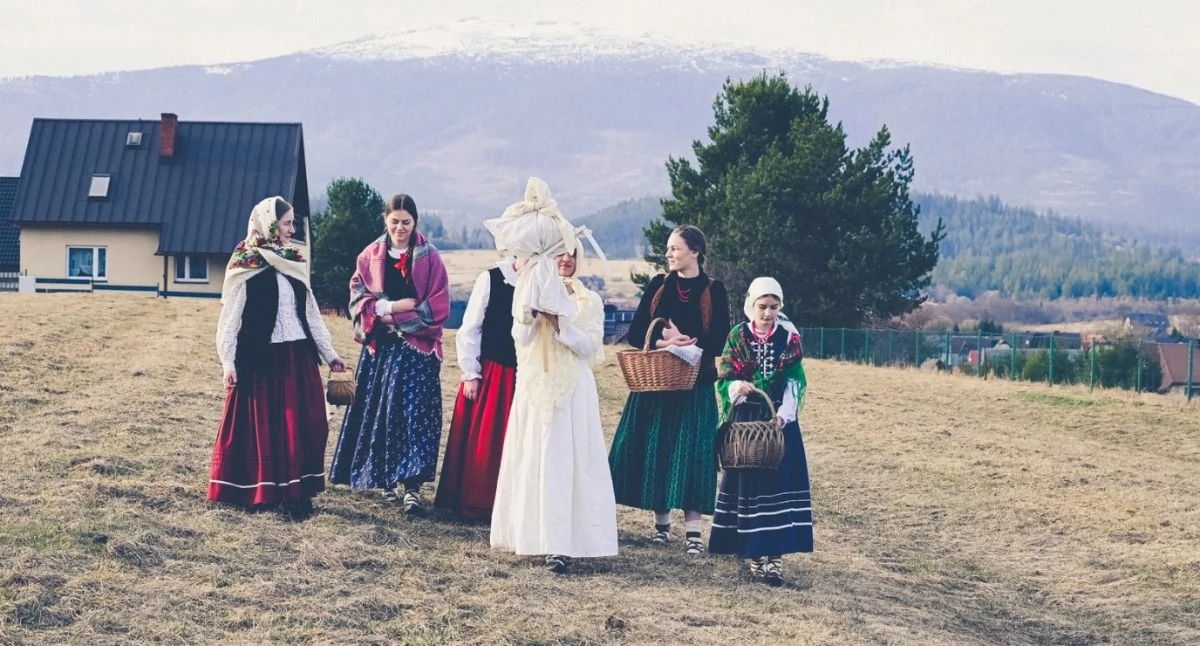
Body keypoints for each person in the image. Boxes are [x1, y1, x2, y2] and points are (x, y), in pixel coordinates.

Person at [209, 196, 346, 520]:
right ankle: (268, 492)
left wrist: (330, 355)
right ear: (270, 224)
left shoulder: (293, 259)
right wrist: (228, 362)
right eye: (287, 223)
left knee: (307, 425)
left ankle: (299, 493)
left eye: (293, 223)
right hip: (262, 358)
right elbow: (230, 317)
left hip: (298, 356)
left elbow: (310, 313)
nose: (292, 229)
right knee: (269, 428)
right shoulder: (247, 261)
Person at [490, 248, 618, 574]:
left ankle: (562, 544)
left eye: (571, 254)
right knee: (535, 457)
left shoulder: (588, 300)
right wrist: (531, 314)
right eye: (559, 254)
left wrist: (561, 325)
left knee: (565, 462)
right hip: (536, 387)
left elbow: (591, 346)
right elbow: (519, 336)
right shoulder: (529, 290)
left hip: (572, 390)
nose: (565, 260)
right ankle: (532, 536)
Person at [608, 225, 731, 554]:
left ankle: (693, 534)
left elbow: (720, 338)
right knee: (657, 450)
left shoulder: (713, 290)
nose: (669, 254)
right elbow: (636, 333)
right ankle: (660, 529)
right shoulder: (659, 286)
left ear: (695, 251)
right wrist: (666, 341)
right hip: (655, 383)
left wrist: (687, 341)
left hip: (696, 384)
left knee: (692, 454)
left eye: (675, 248)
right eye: (668, 249)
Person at [329, 193, 450, 515]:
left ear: (415, 222)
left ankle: (412, 486)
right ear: (385, 220)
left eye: (406, 222)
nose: (400, 228)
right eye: (394, 222)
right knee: (382, 413)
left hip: (418, 352)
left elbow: (436, 309)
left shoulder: (431, 258)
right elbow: (358, 300)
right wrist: (390, 310)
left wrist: (392, 319)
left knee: (415, 416)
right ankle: (387, 480)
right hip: (380, 351)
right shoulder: (369, 256)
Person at [709, 277, 813, 586]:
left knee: (777, 485)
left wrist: (783, 416)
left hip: (777, 421)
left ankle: (775, 559)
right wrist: (736, 387)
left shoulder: (789, 339)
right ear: (751, 305)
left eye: (774, 307)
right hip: (746, 422)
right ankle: (753, 553)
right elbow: (724, 376)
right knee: (749, 485)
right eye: (762, 307)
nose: (768, 313)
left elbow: (795, 380)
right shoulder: (737, 336)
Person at [434, 254, 520, 521]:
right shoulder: (492, 279)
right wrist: (471, 372)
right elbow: (470, 328)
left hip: (526, 375)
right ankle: (479, 503)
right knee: (487, 439)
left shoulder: (542, 283)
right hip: (494, 371)